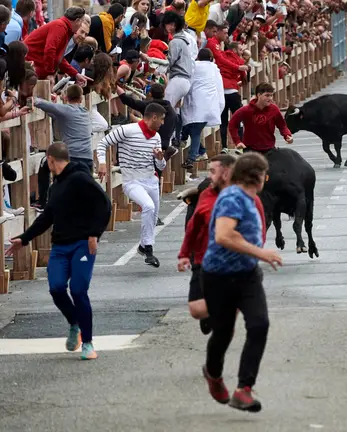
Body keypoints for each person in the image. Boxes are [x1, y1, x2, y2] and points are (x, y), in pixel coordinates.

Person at [6, 143, 111, 360]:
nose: (48, 166)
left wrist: (94, 234)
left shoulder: (81, 179)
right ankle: (75, 323)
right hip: (60, 247)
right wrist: (24, 239)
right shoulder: (55, 188)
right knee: (55, 288)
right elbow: (47, 217)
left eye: (48, 162)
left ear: (52, 160)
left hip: (82, 243)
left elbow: (104, 204)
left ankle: (88, 344)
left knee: (79, 290)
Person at [201, 152, 283, 412]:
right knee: (223, 333)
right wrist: (262, 253)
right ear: (258, 176)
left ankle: (244, 389)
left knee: (259, 324)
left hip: (247, 276)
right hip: (219, 277)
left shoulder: (250, 198)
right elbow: (224, 235)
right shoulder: (232, 198)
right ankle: (213, 374)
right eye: (264, 175)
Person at [96, 103, 167, 268]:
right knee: (148, 207)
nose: (163, 123)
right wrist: (101, 162)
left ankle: (143, 246)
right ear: (154, 117)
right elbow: (102, 143)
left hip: (151, 179)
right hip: (132, 180)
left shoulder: (156, 137)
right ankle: (148, 249)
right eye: (162, 120)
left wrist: (159, 158)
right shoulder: (127, 130)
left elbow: (161, 167)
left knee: (153, 216)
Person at [177, 153, 239, 335]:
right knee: (196, 309)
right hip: (203, 257)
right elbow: (192, 227)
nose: (210, 176)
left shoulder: (243, 197)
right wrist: (184, 254)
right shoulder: (205, 196)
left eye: (213, 171)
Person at [33, 85, 93, 209]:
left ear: (66, 97)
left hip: (71, 158)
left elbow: (42, 104)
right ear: (81, 99)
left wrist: (32, 99)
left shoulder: (66, 110)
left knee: (45, 164)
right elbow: (56, 114)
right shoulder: (85, 112)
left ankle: (42, 202)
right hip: (88, 159)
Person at [180, 48, 225, 169]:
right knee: (193, 129)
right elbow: (219, 87)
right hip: (209, 105)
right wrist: (220, 105)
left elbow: (187, 81)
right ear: (211, 58)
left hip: (195, 103)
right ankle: (201, 151)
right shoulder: (215, 69)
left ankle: (191, 158)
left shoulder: (194, 66)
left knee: (194, 131)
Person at [23, 6, 90, 86]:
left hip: (35, 67)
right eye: (81, 22)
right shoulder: (60, 26)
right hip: (30, 65)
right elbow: (50, 50)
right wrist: (50, 73)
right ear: (77, 20)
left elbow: (59, 58)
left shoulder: (65, 29)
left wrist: (76, 74)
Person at [207, 24, 249, 148]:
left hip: (221, 93)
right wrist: (240, 71)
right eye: (225, 33)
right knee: (238, 120)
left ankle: (224, 147)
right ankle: (240, 144)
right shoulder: (236, 60)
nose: (227, 35)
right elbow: (244, 77)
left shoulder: (222, 52)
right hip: (232, 92)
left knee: (223, 121)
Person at [228, 83, 293, 154]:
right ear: (258, 95)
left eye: (271, 95)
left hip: (269, 148)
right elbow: (232, 124)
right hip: (250, 149)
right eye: (267, 95)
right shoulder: (246, 110)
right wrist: (237, 141)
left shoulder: (274, 109)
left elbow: (282, 125)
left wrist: (287, 135)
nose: (270, 98)